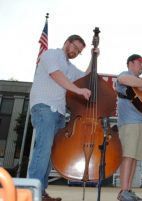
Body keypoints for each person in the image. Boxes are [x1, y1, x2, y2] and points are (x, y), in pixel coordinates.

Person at [28, 35, 98, 201]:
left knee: (50, 152)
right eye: (74, 47)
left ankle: (41, 192)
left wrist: (93, 57)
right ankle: (32, 193)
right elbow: (56, 75)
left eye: (79, 51)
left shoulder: (70, 66)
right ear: (67, 42)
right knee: (43, 149)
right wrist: (78, 90)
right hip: (44, 106)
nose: (75, 52)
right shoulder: (51, 54)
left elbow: (85, 77)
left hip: (59, 112)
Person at [115, 54, 142, 201]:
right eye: (140, 63)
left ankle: (128, 190)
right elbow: (122, 80)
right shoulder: (125, 75)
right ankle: (123, 191)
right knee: (128, 155)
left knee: (134, 157)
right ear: (130, 63)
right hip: (129, 123)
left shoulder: (140, 84)